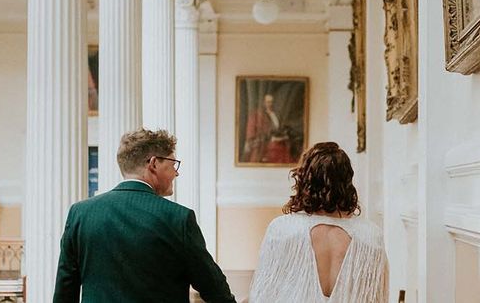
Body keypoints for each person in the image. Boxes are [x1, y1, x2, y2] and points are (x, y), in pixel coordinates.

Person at [53, 128, 236, 303]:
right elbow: (213, 288)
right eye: (173, 164)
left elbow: (65, 291)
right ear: (154, 163)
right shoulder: (178, 218)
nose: (176, 172)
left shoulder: (80, 213)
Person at [248, 142, 388, 302]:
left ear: (304, 179)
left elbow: (263, 293)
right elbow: (378, 297)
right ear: (348, 181)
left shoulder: (283, 229)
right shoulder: (370, 234)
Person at [243, 93, 293, 163]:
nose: (270, 104)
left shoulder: (276, 114)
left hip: (278, 140)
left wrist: (282, 136)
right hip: (265, 144)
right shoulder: (258, 115)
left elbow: (279, 128)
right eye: (268, 102)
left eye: (272, 102)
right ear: (264, 103)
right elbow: (256, 133)